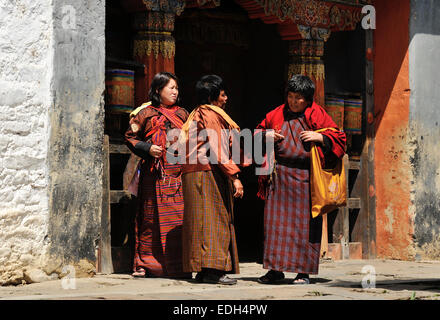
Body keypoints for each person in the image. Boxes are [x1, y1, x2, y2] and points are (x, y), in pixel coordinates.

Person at [256, 74, 346, 285]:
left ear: (308, 99)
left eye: (298, 98)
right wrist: (267, 136)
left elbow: (340, 139)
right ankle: (274, 270)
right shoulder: (275, 114)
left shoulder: (318, 115)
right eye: (290, 96)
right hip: (279, 178)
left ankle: (302, 272)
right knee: (275, 226)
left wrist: (320, 137)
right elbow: (256, 134)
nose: (293, 101)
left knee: (305, 227)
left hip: (307, 178)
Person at [180, 75, 244, 285]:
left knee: (200, 221)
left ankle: (203, 269)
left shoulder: (195, 114)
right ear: (212, 96)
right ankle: (214, 270)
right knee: (214, 219)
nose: (226, 99)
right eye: (223, 94)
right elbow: (218, 148)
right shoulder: (210, 114)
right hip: (207, 172)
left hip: (194, 173)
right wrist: (234, 176)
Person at [125, 72, 190, 278]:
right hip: (154, 174)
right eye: (171, 87)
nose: (175, 92)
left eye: (176, 88)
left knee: (178, 220)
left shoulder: (183, 115)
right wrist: (147, 148)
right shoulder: (145, 114)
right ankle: (146, 264)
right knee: (150, 220)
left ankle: (180, 266)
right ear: (158, 90)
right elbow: (130, 137)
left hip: (177, 176)